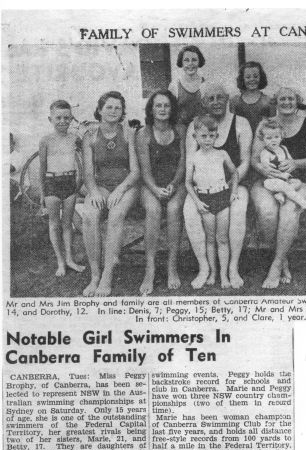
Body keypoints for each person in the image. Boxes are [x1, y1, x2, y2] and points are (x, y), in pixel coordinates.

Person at [251, 86, 306, 288]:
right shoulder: (265, 125)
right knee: (267, 212)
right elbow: (254, 159)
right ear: (276, 101)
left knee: (290, 210)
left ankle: (276, 265)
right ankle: (283, 258)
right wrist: (265, 170)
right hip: (268, 180)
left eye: (291, 99)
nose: (286, 102)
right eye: (282, 99)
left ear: (297, 101)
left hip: (299, 180)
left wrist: (296, 163)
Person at [184, 83, 252, 289]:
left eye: (220, 97)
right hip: (202, 188)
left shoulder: (241, 123)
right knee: (189, 211)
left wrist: (232, 184)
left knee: (238, 210)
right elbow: (190, 162)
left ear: (227, 99)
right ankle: (204, 268)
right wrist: (196, 194)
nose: (216, 102)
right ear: (204, 102)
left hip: (233, 184)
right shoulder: (195, 125)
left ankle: (232, 268)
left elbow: (245, 162)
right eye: (211, 98)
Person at [82, 91, 139, 297]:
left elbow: (135, 171)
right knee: (89, 214)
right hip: (102, 186)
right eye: (109, 107)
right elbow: (88, 173)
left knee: (115, 214)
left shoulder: (128, 133)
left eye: (118, 107)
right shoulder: (90, 136)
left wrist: (121, 189)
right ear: (99, 110)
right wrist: (94, 192)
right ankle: (95, 274)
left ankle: (107, 274)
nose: (113, 111)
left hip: (127, 185)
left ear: (123, 111)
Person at [136, 90, 186, 295]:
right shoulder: (143, 133)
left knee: (174, 209)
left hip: (176, 182)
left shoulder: (181, 130)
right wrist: (155, 189)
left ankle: (172, 266)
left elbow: (183, 162)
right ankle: (150, 268)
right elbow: (145, 170)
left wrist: (173, 184)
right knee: (154, 211)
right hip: (151, 184)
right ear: (151, 109)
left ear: (172, 108)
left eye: (166, 105)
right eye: (158, 105)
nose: (163, 109)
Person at [186, 115, 239, 289]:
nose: (208, 140)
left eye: (211, 135)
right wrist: (197, 201)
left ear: (217, 136)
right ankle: (212, 273)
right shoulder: (193, 157)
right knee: (210, 239)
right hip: (205, 200)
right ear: (195, 137)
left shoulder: (222, 154)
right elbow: (188, 182)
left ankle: (224, 275)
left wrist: (233, 191)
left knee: (222, 239)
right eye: (203, 136)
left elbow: (234, 173)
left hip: (222, 197)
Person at [38, 100, 85, 277]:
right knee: (54, 224)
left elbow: (87, 147)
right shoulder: (45, 140)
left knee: (67, 224)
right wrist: (43, 194)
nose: (63, 121)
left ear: (72, 118)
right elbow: (42, 169)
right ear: (50, 119)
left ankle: (70, 259)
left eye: (67, 117)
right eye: (58, 117)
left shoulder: (74, 138)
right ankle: (60, 261)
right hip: (52, 183)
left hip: (69, 182)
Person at [257, 117, 306, 209]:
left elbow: (290, 160)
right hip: (272, 181)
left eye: (276, 137)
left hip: (285, 179)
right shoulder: (265, 153)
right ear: (263, 139)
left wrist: (291, 165)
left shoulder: (283, 148)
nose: (273, 140)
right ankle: (303, 203)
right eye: (269, 138)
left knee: (298, 183)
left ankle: (281, 194)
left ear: (281, 137)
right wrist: (281, 175)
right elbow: (268, 170)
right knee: (285, 187)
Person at [230, 61, 276, 134]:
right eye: (248, 77)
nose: (252, 79)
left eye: (256, 76)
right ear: (242, 79)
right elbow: (231, 126)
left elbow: (273, 126)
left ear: (261, 77)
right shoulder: (235, 101)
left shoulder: (268, 101)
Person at [169, 45, 206, 127]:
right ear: (181, 62)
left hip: (201, 131)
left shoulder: (205, 85)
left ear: (199, 62)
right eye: (186, 60)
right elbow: (170, 114)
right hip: (181, 132)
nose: (190, 64)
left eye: (194, 60)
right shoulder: (174, 86)